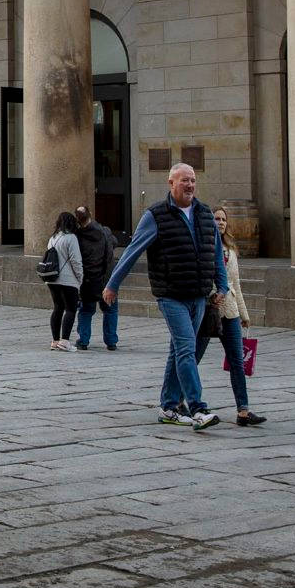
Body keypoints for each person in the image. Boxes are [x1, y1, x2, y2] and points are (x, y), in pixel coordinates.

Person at [102, 163, 228, 431]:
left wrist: (223, 286)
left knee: (179, 351)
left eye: (193, 180)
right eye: (184, 180)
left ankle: (169, 407)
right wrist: (113, 284)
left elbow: (216, 254)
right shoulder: (156, 215)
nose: (190, 185)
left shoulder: (205, 214)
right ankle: (198, 408)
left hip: (199, 295)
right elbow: (133, 251)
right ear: (171, 183)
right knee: (186, 348)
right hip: (171, 295)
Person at [193, 208, 266, 426]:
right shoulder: (203, 246)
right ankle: (177, 401)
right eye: (216, 219)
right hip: (209, 310)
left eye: (224, 219)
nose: (221, 222)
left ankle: (243, 410)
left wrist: (244, 314)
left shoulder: (231, 250)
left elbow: (237, 284)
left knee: (237, 360)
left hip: (230, 311)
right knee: (193, 357)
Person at [74, 205, 119, 351]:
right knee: (110, 310)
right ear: (90, 214)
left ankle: (83, 340)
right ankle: (111, 341)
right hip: (106, 279)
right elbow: (115, 242)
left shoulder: (77, 236)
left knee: (86, 310)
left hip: (88, 281)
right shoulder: (104, 231)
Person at [44, 211, 83, 351]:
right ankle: (65, 340)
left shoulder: (52, 238)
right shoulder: (71, 238)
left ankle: (55, 340)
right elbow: (76, 260)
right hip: (68, 280)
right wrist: (80, 278)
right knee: (71, 309)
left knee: (57, 308)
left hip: (52, 279)